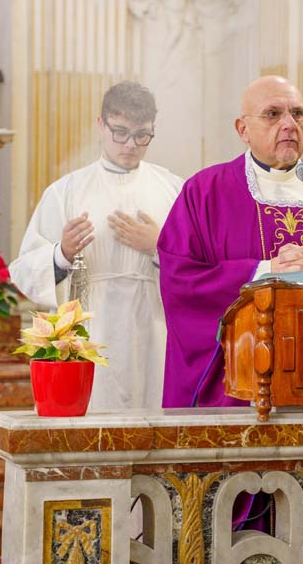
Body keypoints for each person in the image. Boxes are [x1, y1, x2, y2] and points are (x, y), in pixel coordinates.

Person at [158, 75, 303, 408]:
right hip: (241, 381)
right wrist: (265, 271)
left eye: (297, 114)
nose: (289, 124)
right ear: (243, 129)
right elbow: (180, 279)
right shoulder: (205, 191)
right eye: (273, 114)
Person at [9, 81, 183, 411]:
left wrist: (159, 248)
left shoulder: (173, 189)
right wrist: (61, 253)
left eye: (142, 135)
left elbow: (200, 268)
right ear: (100, 124)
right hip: (93, 330)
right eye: (120, 132)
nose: (130, 144)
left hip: (155, 332)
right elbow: (24, 269)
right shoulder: (67, 191)